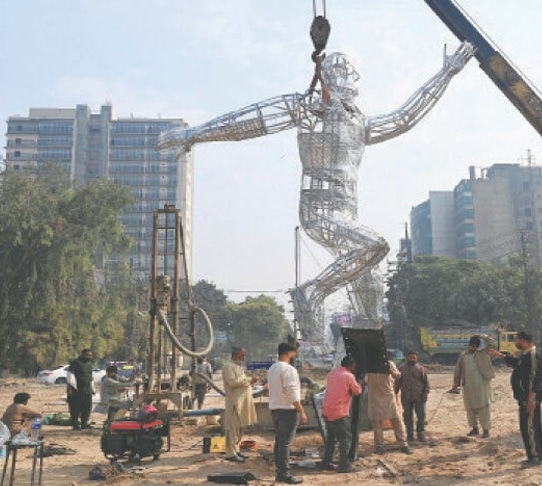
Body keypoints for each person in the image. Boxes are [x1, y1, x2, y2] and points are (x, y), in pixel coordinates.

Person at [156, 42, 475, 345]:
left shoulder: (359, 122)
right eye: (340, 71)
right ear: (328, 76)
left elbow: (405, 118)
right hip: (319, 212)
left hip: (348, 217)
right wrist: (193, 134)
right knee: (376, 245)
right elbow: (253, 121)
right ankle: (313, 292)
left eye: (349, 72)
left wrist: (446, 73)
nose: (349, 77)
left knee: (371, 295)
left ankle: (353, 367)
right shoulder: (309, 108)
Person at [490, 331, 542, 468]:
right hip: (525, 398)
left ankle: (535, 458)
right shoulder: (525, 355)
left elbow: (536, 379)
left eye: (517, 340)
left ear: (525, 340)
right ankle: (539, 454)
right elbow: (518, 365)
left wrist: (531, 398)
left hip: (529, 398)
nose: (516, 343)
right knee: (532, 426)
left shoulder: (532, 356)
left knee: (529, 428)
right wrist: (503, 357)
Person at [267, 343, 307, 484]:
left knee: (280, 442)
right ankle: (284, 474)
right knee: (285, 443)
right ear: (289, 353)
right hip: (288, 410)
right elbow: (292, 393)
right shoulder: (289, 370)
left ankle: (280, 471)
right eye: (294, 353)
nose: (295, 356)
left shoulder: (272, 368)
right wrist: (301, 410)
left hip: (275, 409)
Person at [320, 355, 362, 473]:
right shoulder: (349, 376)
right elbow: (357, 391)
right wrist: (360, 383)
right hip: (339, 411)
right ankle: (344, 465)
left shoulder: (332, 373)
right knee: (346, 439)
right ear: (351, 365)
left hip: (327, 410)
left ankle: (326, 462)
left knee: (331, 439)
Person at [450, 335, 497, 438]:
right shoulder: (463, 356)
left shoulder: (483, 353)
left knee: (483, 408)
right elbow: (458, 370)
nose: (472, 348)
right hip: (468, 386)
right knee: (470, 408)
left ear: (478, 347)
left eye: (474, 346)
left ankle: (486, 430)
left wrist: (483, 336)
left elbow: (493, 343)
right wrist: (456, 383)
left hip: (482, 386)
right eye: (470, 346)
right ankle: (474, 429)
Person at [222, 347, 258, 463]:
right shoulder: (228, 366)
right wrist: (249, 380)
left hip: (243, 402)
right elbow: (232, 382)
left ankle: (236, 450)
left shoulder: (238, 366)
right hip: (234, 402)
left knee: (240, 428)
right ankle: (230, 453)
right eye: (242, 354)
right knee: (232, 428)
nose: (243, 357)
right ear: (236, 354)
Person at [367, 360, 410, 454]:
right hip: (374, 396)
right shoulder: (368, 364)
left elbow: (398, 375)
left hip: (388, 396)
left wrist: (390, 370)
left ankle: (403, 444)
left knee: (397, 420)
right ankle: (379, 446)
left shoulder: (388, 363)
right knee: (377, 423)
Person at [396, 350, 430, 443]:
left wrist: (425, 393)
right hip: (406, 397)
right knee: (407, 416)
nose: (412, 359)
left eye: (414, 358)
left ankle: (421, 434)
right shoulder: (401, 368)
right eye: (410, 357)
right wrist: (395, 394)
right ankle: (410, 435)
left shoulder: (421, 369)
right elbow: (397, 383)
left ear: (417, 359)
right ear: (407, 358)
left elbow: (426, 383)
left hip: (419, 396)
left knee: (421, 416)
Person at [68, 348, 95, 430]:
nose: (89, 357)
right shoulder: (75, 363)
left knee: (87, 408)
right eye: (87, 355)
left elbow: (91, 377)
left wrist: (93, 388)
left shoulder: (89, 364)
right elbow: (70, 375)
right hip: (76, 390)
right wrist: (70, 387)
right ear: (83, 354)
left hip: (87, 390)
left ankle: (84, 423)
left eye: (90, 355)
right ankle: (75, 424)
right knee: (75, 408)